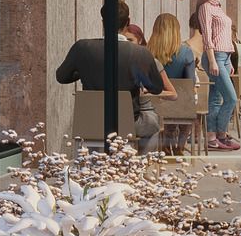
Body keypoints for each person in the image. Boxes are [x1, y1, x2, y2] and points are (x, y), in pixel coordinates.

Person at [54, 21, 171, 152]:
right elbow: (156, 88)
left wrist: (84, 71)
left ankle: (95, 158)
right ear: (127, 22)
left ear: (103, 21)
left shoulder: (81, 47)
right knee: (153, 123)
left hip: (90, 124)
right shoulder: (141, 52)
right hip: (127, 125)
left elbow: (61, 77)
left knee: (97, 126)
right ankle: (142, 162)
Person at [192, 0, 240, 151]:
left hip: (225, 57)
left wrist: (229, 61)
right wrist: (212, 60)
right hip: (215, 57)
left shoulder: (218, 7)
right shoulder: (205, 7)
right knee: (231, 98)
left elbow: (224, 36)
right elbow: (207, 36)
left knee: (216, 98)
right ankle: (221, 134)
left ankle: (211, 138)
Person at [149, 10, 191, 81]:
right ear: (176, 31)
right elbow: (190, 82)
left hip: (151, 88)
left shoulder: (145, 52)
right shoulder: (186, 52)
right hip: (178, 88)